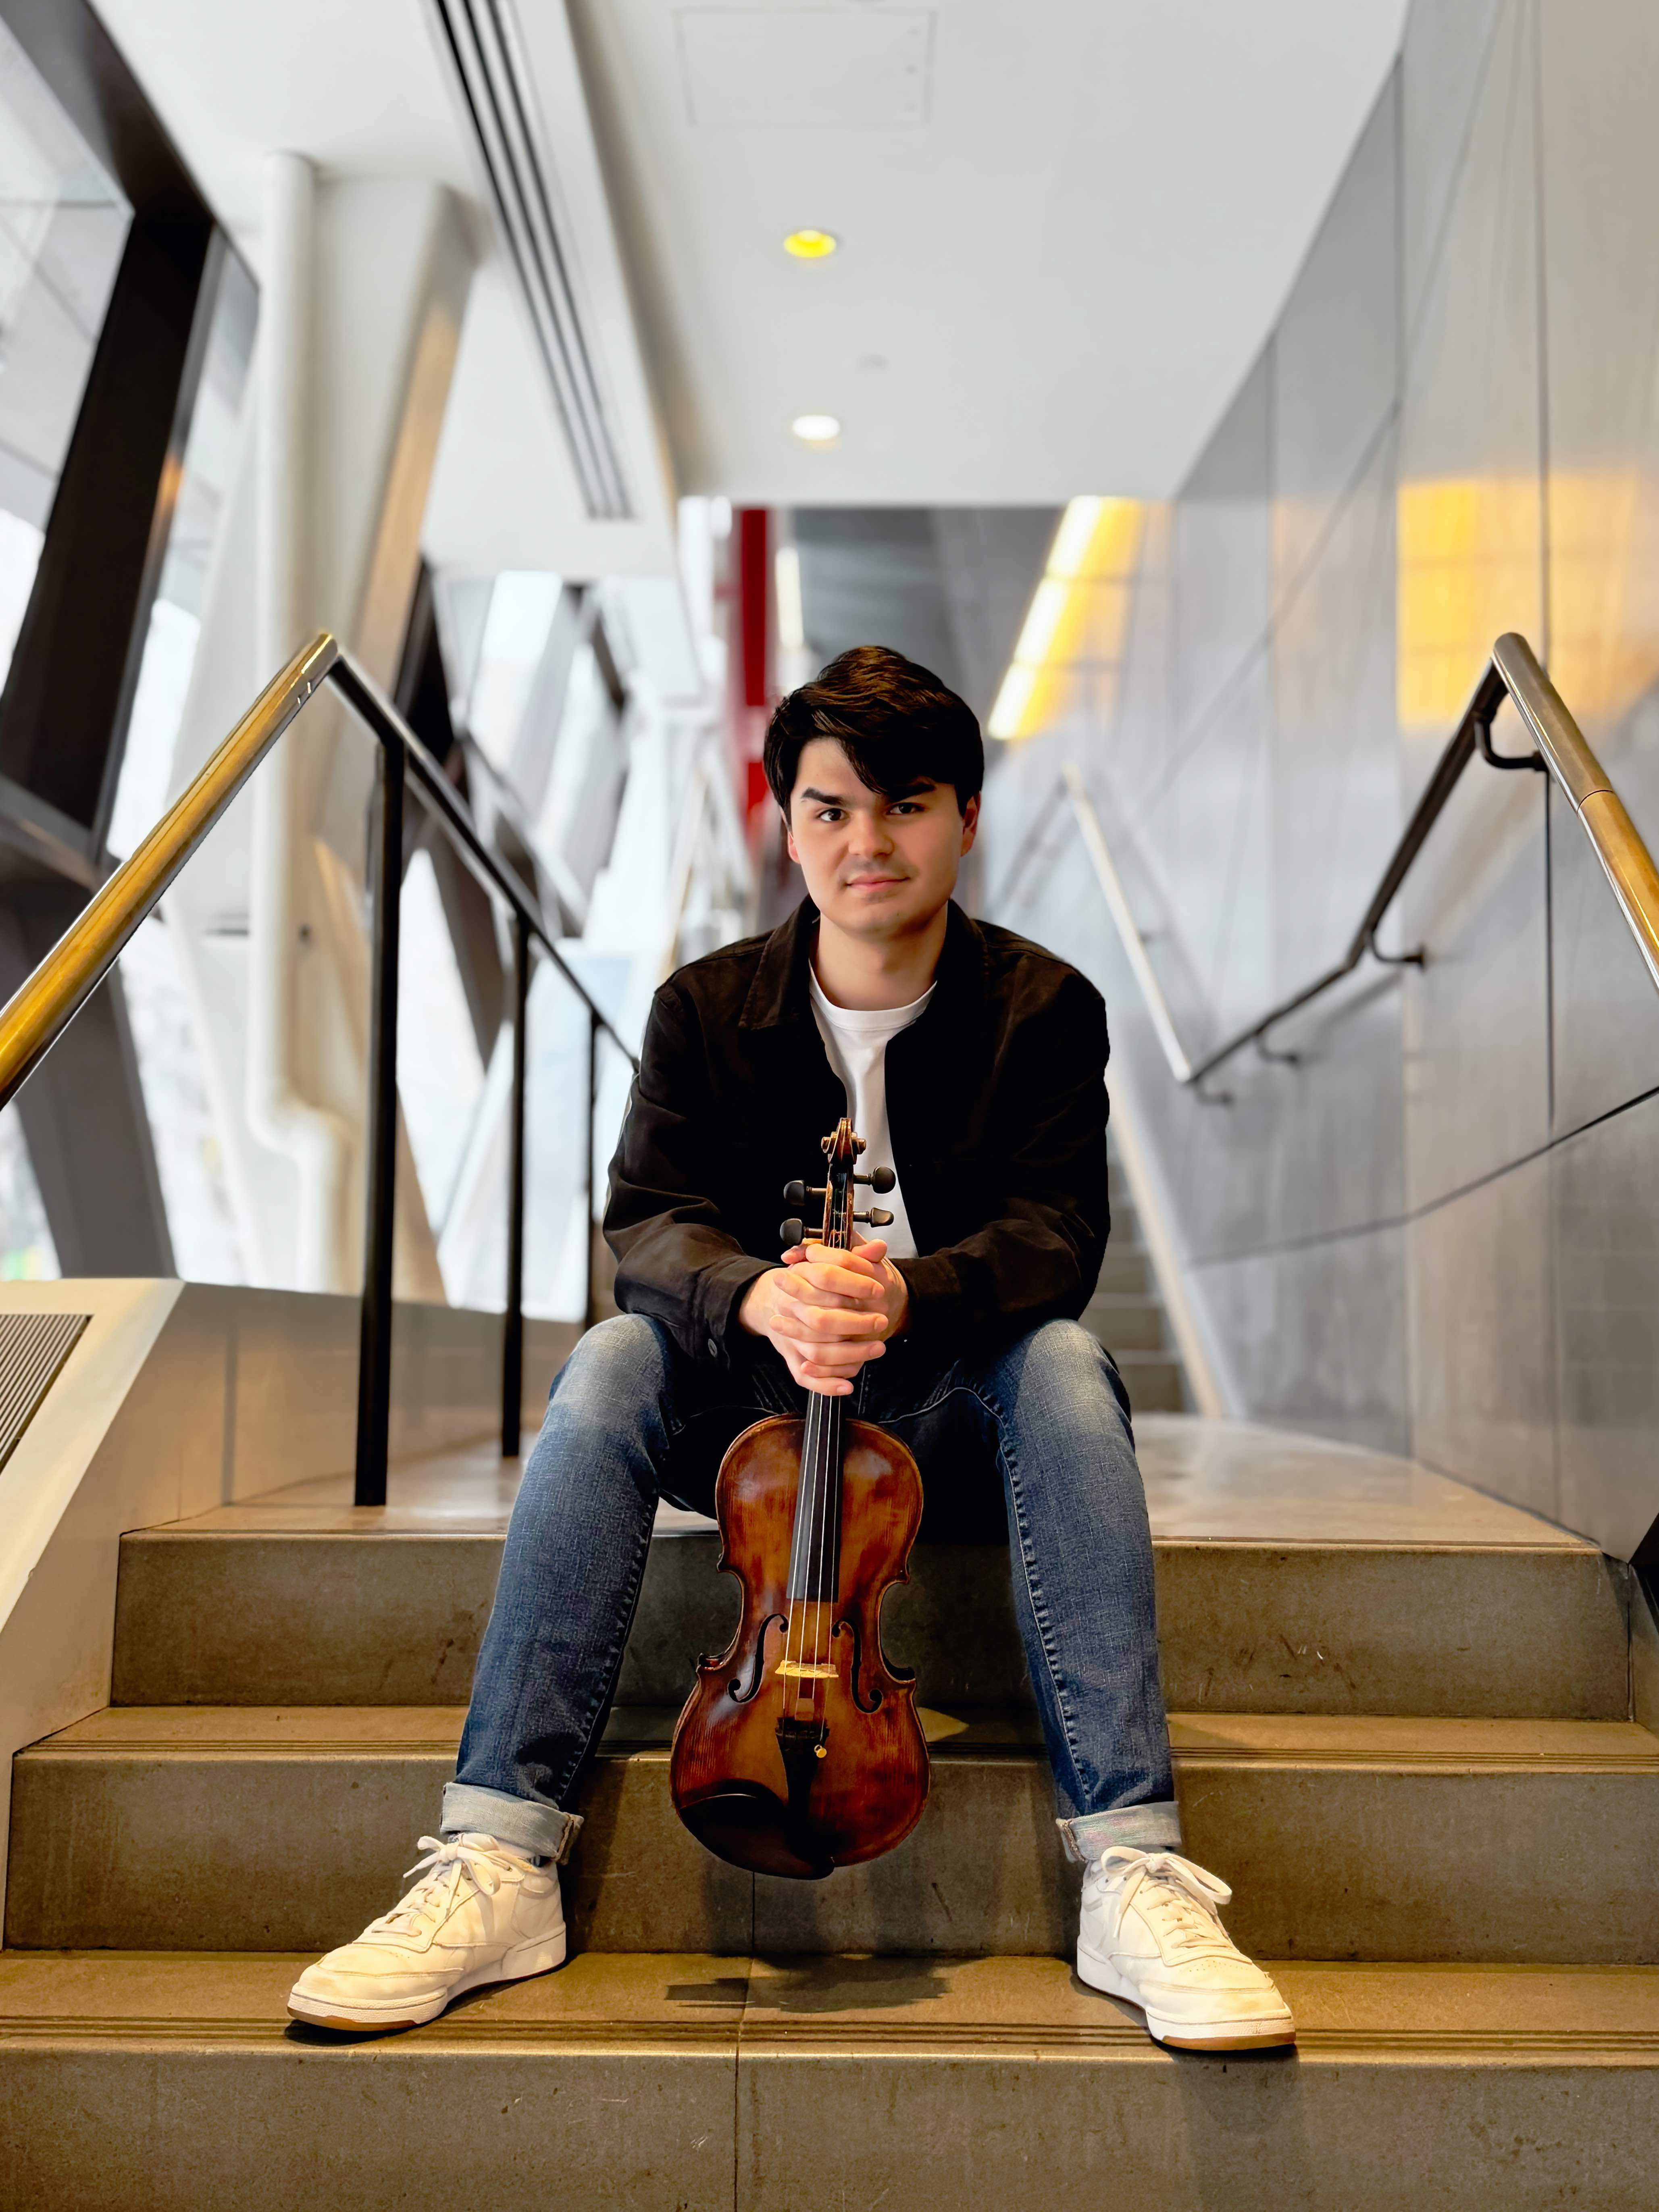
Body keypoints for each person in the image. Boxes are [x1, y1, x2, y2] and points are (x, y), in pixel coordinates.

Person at [288, 646, 1295, 2052]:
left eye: (904, 806)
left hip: (938, 1406)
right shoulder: (705, 1009)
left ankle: (1129, 1866)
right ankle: (500, 1855)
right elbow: (645, 1224)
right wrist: (758, 1295)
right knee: (608, 1365)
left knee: (1065, 1362)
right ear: (786, 821)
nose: (864, 843)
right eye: (829, 809)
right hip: (754, 1422)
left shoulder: (1045, 1007)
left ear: (965, 818)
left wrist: (910, 1299)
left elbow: (1056, 1235)